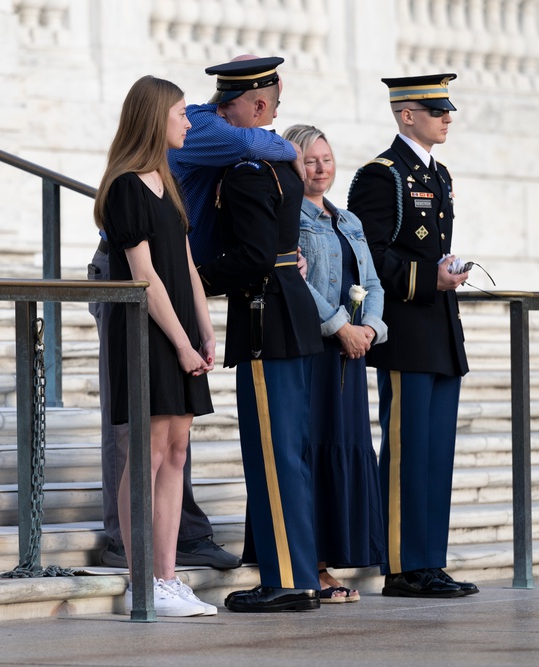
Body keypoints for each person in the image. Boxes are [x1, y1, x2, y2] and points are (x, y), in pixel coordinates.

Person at [195, 57, 324, 613]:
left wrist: (195, 277)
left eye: (233, 106)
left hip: (265, 316)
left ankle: (287, 578)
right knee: (288, 454)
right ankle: (297, 573)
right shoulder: (282, 168)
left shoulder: (248, 172)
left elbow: (251, 258)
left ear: (261, 108)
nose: (223, 115)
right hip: (288, 315)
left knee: (272, 457)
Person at [346, 73, 479, 597]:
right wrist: (429, 278)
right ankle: (403, 567)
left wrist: (445, 269)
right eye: (436, 109)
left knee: (436, 451)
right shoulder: (381, 175)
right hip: (405, 327)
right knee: (406, 450)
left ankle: (430, 559)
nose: (447, 117)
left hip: (440, 329)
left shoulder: (438, 173)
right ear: (406, 115)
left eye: (447, 109)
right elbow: (367, 254)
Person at [93, 75, 218, 616]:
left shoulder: (168, 180)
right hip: (148, 333)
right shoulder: (124, 187)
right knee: (146, 453)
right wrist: (182, 342)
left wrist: (206, 329)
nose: (189, 122)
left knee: (176, 451)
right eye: (182, 113)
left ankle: (167, 578)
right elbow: (144, 276)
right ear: (155, 117)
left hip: (181, 331)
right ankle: (140, 578)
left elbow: (186, 265)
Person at [282, 124, 388, 603]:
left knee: (342, 447)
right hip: (316, 349)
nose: (320, 168)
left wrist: (370, 329)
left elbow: (375, 282)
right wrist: (340, 326)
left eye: (326, 159)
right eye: (309, 160)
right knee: (311, 450)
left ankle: (325, 563)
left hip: (351, 353)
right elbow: (296, 283)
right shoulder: (289, 218)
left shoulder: (349, 221)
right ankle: (312, 567)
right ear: (292, 164)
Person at [169, 54, 305, 266]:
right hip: (134, 268)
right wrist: (291, 148)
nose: (220, 112)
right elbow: (246, 144)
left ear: (260, 107)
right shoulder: (198, 122)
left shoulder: (240, 137)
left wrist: (286, 257)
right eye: (220, 102)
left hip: (180, 270)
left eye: (229, 105)